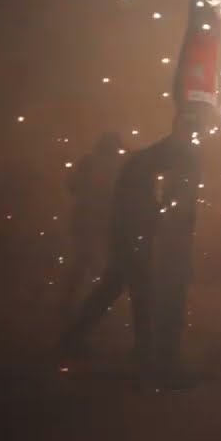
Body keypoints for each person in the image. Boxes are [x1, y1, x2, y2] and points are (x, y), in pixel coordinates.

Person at [58, 132, 187, 374]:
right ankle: (142, 351)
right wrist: (155, 220)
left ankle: (73, 339)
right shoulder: (138, 169)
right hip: (131, 241)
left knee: (111, 291)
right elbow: (136, 209)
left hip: (127, 240)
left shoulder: (138, 166)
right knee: (140, 296)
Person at [59, 132, 124, 317]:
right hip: (99, 220)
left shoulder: (88, 161)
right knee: (94, 262)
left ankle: (72, 303)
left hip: (87, 219)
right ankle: (92, 304)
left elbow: (71, 185)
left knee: (85, 261)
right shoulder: (115, 165)